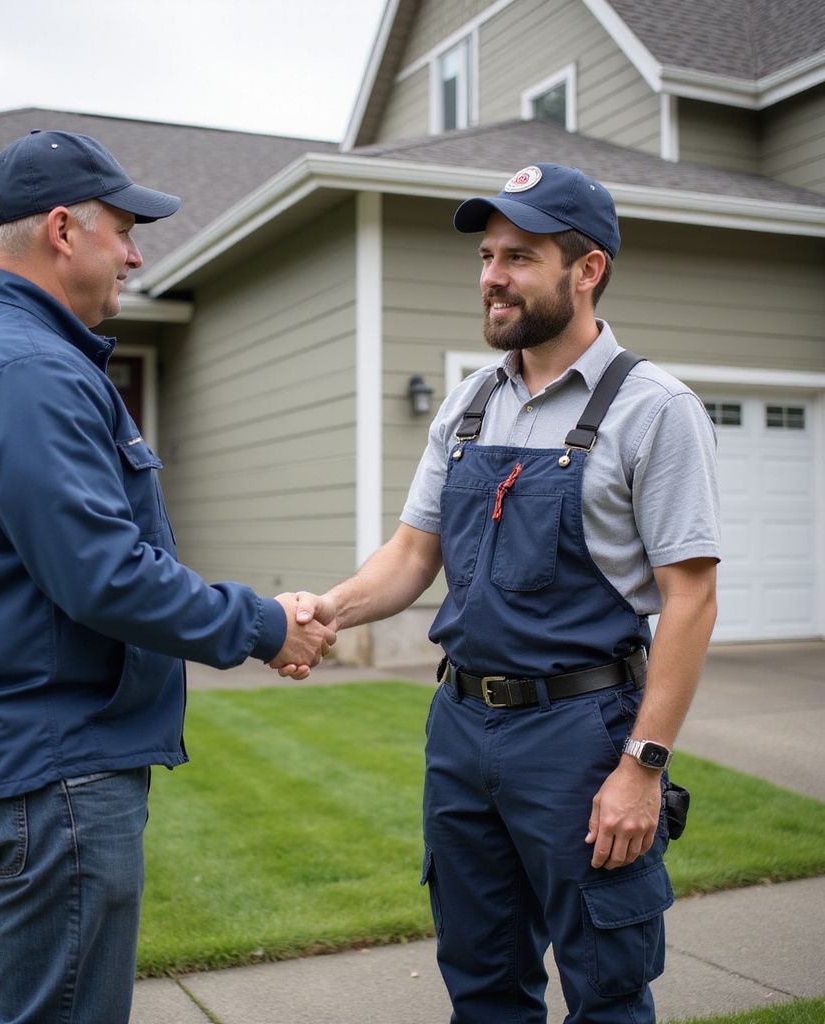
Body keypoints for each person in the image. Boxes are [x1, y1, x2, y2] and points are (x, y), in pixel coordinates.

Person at [0, 129, 335, 1024]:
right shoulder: (27, 368)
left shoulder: (3, 352)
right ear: (64, 229)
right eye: (126, 231)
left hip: (22, 757)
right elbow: (103, 576)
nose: (137, 255)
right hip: (51, 766)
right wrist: (264, 625)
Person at [281, 162, 719, 1023]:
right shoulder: (470, 404)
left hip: (580, 735)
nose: (491, 276)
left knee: (606, 987)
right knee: (480, 981)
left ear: (586, 270)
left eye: (519, 256)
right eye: (487, 255)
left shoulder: (655, 410)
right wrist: (328, 611)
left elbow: (692, 600)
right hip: (462, 727)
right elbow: (412, 555)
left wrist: (643, 764)